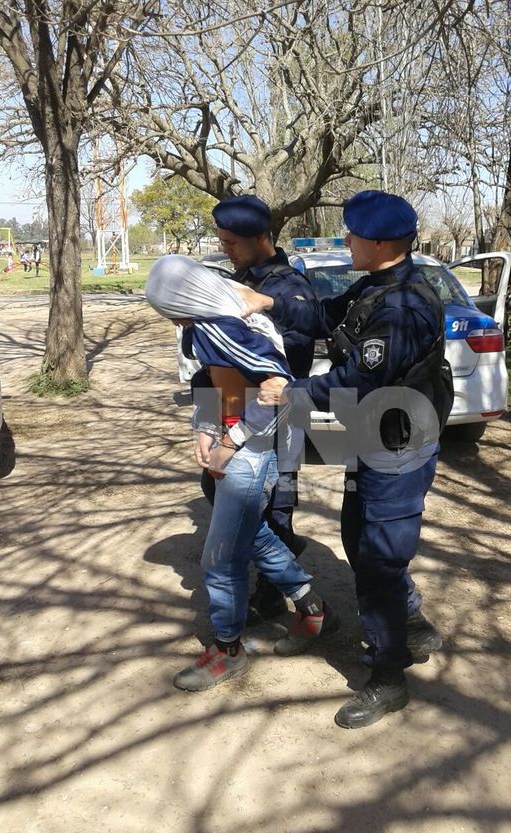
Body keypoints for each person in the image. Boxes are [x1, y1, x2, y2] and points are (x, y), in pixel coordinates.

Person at [239, 190, 451, 729]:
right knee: (361, 537)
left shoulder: (402, 307)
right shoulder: (377, 287)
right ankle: (413, 622)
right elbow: (326, 314)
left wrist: (291, 392)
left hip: (397, 443)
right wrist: (268, 303)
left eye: (353, 234)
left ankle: (388, 677)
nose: (347, 240)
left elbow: (358, 379)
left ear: (380, 242)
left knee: (377, 553)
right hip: (376, 433)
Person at [145, 255, 338, 692]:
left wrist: (229, 445)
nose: (167, 317)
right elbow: (215, 383)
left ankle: (228, 650)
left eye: (164, 307)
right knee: (251, 535)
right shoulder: (205, 320)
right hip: (238, 439)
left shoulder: (223, 326)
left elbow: (277, 393)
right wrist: (206, 427)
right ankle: (313, 608)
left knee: (222, 557)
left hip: (256, 446)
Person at [201, 194, 316, 626]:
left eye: (232, 242)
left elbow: (293, 367)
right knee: (220, 493)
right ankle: (278, 575)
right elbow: (212, 360)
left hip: (275, 423)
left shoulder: (288, 288)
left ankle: (274, 595)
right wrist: (210, 418)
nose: (225, 249)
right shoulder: (237, 281)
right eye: (223, 241)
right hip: (237, 418)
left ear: (262, 238)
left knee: (274, 508)